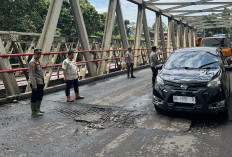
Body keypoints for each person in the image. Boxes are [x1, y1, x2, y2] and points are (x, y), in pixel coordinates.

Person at [29, 49, 44, 117]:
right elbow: (32, 74)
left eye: (40, 54)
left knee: (40, 95)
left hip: (40, 81)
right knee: (34, 96)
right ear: (34, 54)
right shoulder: (32, 62)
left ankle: (38, 109)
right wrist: (34, 85)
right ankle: (34, 111)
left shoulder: (37, 61)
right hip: (36, 82)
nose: (39, 55)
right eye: (37, 54)